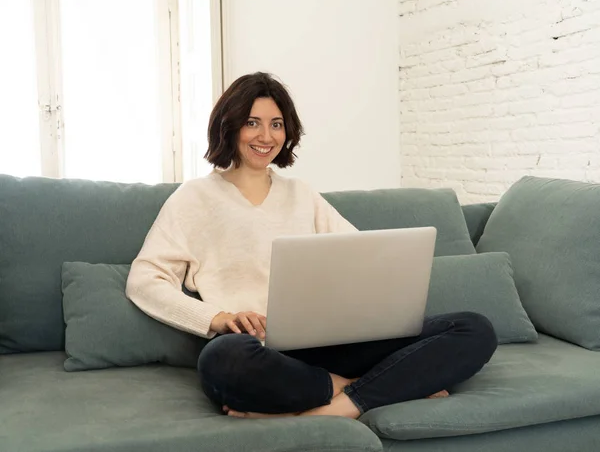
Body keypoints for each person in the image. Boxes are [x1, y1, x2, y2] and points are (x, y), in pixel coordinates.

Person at [126, 72, 498, 419]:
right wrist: (217, 318)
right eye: (252, 122)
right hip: (257, 348)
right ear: (230, 126)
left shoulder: (301, 194)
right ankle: (367, 388)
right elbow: (145, 280)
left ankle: (329, 408)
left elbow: (362, 255)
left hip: (332, 341)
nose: (265, 137)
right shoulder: (194, 198)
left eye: (276, 125)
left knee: (474, 328)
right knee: (222, 362)